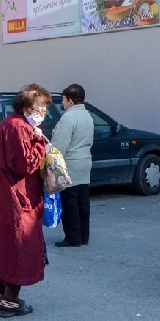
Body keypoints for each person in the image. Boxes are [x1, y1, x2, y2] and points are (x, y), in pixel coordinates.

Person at [0, 83, 50, 318]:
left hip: (8, 196)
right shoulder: (18, 127)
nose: (41, 114)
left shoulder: (11, 124)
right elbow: (24, 164)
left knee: (9, 245)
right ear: (24, 106)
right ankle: (10, 301)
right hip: (18, 196)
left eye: (44, 110)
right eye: (38, 109)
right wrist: (40, 144)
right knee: (20, 246)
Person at [52, 83, 94, 248]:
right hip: (85, 160)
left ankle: (72, 237)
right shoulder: (87, 116)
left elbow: (60, 145)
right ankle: (84, 236)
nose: (63, 104)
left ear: (70, 100)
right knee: (83, 200)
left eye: (63, 100)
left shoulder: (68, 118)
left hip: (70, 163)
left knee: (69, 202)